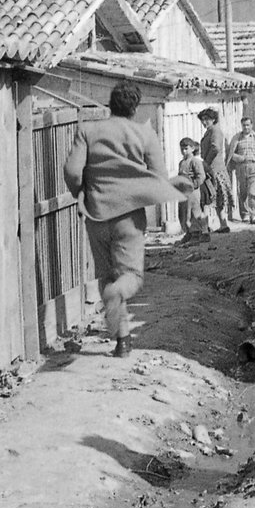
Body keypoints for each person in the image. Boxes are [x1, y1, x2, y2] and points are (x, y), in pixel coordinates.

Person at [63, 80, 191, 358]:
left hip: (96, 215)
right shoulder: (144, 134)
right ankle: (118, 313)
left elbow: (72, 171)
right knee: (129, 277)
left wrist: (81, 193)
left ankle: (122, 340)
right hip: (130, 218)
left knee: (107, 276)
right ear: (134, 108)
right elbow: (158, 176)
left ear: (110, 104)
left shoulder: (88, 131)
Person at [226, 114, 255, 224]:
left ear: (252, 125)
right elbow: (231, 154)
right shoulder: (237, 138)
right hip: (241, 167)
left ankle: (254, 215)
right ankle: (245, 214)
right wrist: (237, 158)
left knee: (254, 192)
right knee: (243, 192)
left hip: (254, 166)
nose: (246, 127)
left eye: (248, 125)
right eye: (244, 125)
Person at [197, 107, 234, 233]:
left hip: (214, 169)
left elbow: (215, 148)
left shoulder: (215, 131)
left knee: (211, 197)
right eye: (202, 120)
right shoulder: (210, 131)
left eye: (207, 119)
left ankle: (218, 225)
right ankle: (221, 225)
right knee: (215, 198)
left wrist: (206, 162)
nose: (204, 122)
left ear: (213, 119)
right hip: (213, 169)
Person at [177, 138, 208, 243]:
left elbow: (201, 176)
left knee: (194, 211)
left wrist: (193, 185)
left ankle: (196, 234)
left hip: (193, 192)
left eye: (186, 149)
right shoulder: (181, 163)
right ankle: (188, 233)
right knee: (184, 213)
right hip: (183, 191)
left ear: (192, 148)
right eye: (182, 149)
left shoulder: (195, 161)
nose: (184, 151)